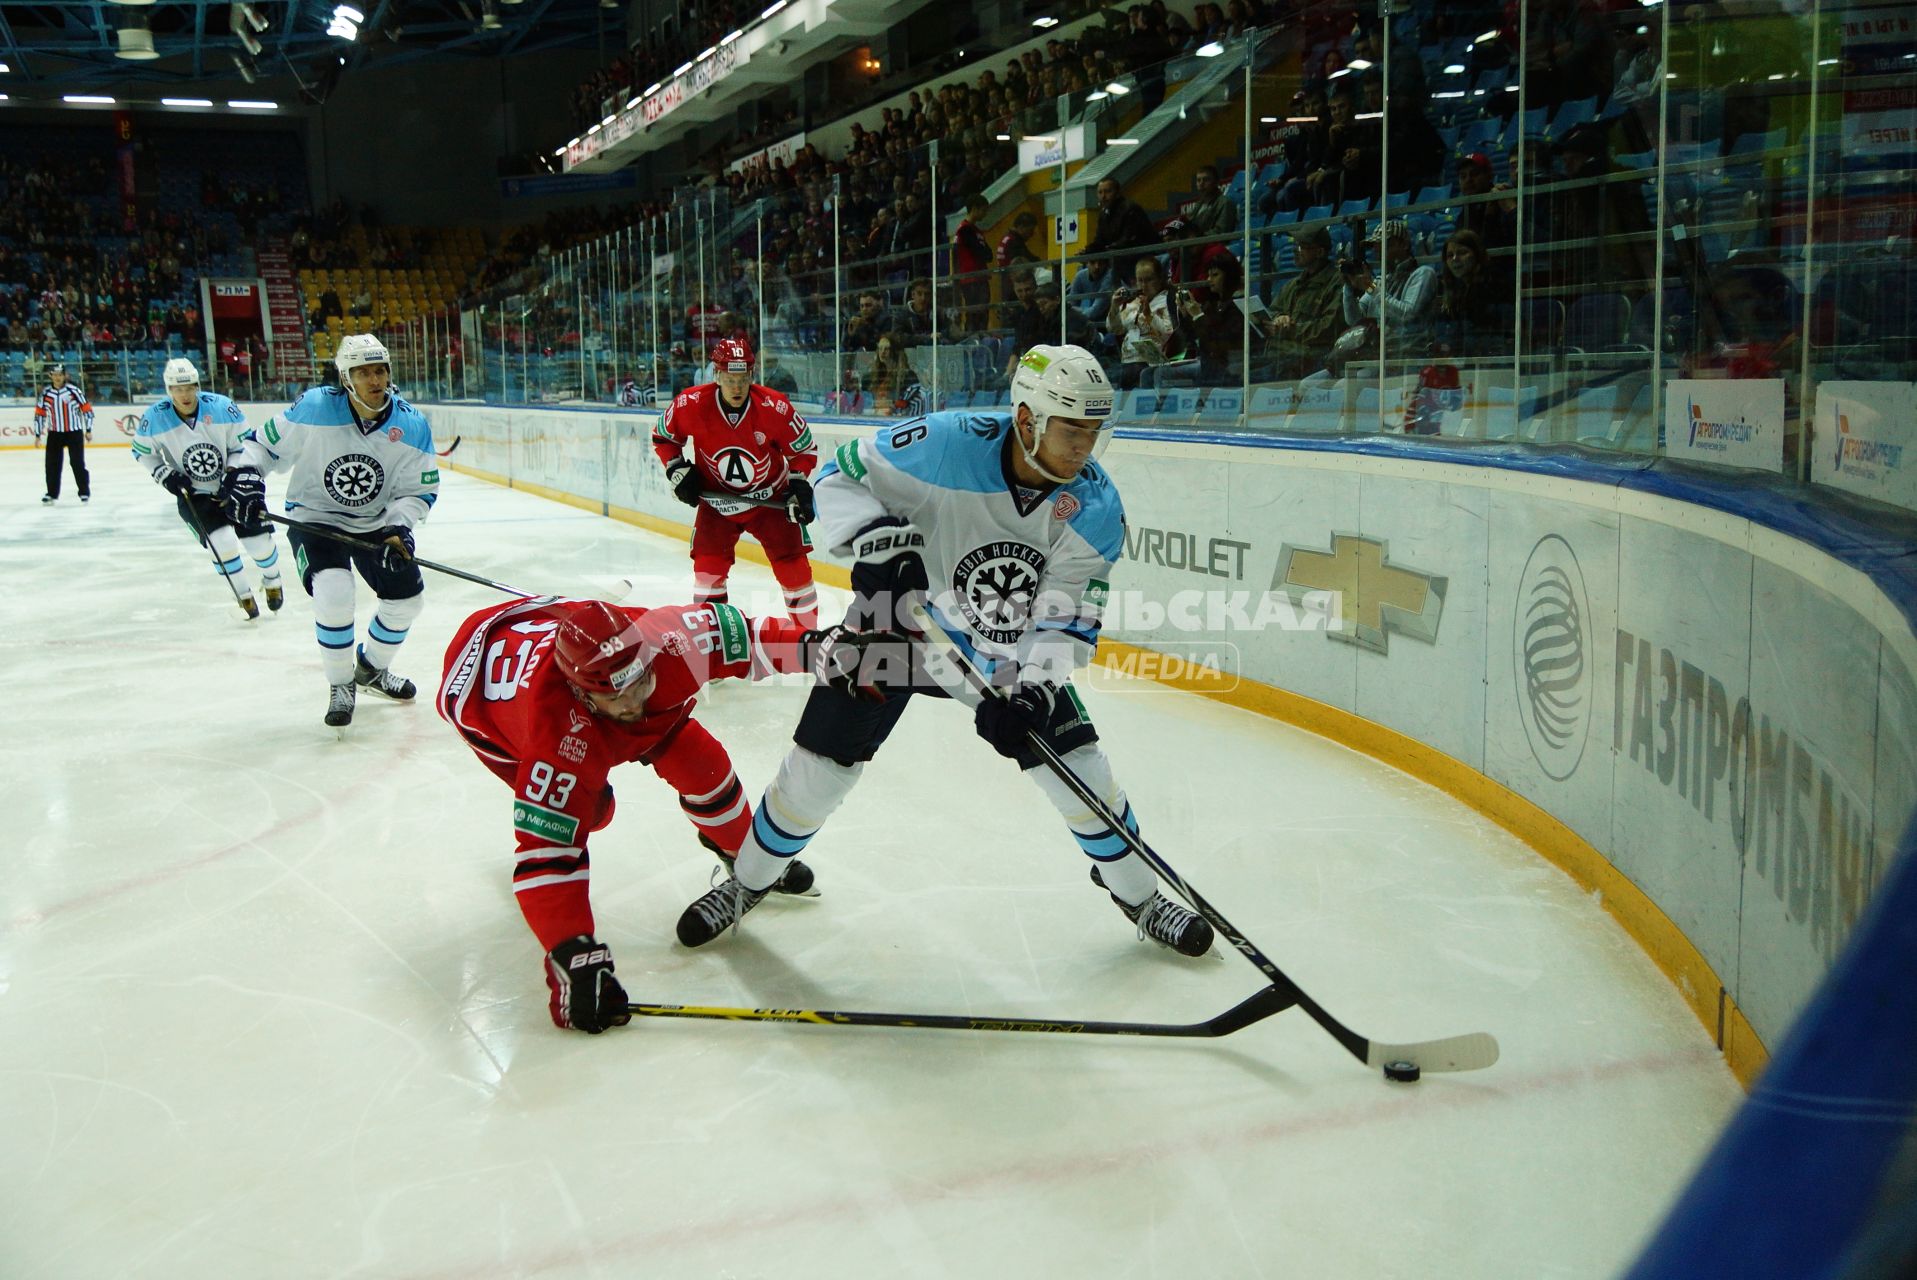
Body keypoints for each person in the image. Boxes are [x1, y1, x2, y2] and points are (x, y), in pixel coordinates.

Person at [672, 343, 1214, 958]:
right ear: (1029, 418)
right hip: (895, 630)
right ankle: (746, 884)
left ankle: (1139, 895)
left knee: (1081, 772)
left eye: (1094, 431)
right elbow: (837, 478)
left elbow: (1064, 617)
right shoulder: (943, 444)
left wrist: (1033, 690)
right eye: (1072, 430)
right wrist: (879, 543)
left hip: (1000, 658)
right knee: (815, 773)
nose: (1084, 447)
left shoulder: (1093, 505)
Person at [436, 596, 827, 1034]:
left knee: (702, 763)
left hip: (537, 622)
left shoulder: (669, 638)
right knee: (594, 814)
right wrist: (573, 956)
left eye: (641, 683)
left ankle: (744, 854)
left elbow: (754, 639)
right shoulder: (555, 738)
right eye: (616, 696)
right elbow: (547, 857)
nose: (634, 703)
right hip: (478, 700)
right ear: (580, 692)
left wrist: (822, 646)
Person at [225, 333, 439, 731]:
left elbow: (418, 489)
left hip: (377, 522)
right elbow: (261, 447)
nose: (374, 380)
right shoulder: (315, 408)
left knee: (407, 601)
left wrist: (399, 526)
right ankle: (341, 684)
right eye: (363, 372)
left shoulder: (412, 424)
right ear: (345, 378)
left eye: (380, 370)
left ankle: (371, 670)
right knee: (335, 591)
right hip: (316, 517)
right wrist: (246, 476)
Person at [651, 337, 820, 628]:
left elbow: (803, 451)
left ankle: (809, 640)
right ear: (716, 375)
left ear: (752, 375)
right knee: (707, 574)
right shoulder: (691, 403)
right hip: (717, 501)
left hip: (771, 500)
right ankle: (714, 646)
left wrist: (798, 484)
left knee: (795, 571)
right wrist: (677, 468)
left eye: (743, 379)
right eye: (730, 379)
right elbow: (663, 438)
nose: (737, 387)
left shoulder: (774, 407)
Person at [131, 358, 285, 618]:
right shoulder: (155, 418)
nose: (185, 394)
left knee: (258, 542)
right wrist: (166, 475)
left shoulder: (223, 408)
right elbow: (142, 452)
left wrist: (233, 474)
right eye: (178, 389)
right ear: (169, 390)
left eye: (189, 387)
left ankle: (273, 580)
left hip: (234, 487)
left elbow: (244, 445)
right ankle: (244, 594)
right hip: (195, 494)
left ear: (197, 386)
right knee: (221, 542)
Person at [1268, 224, 1346, 379]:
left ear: (1320, 252)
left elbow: (1330, 327)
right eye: (1296, 245)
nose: (1295, 251)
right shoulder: (1293, 284)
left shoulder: (1337, 282)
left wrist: (1291, 330)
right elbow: (1273, 311)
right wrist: (1279, 317)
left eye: (1302, 246)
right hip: (1287, 356)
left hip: (1315, 358)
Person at [1107, 255, 1180, 389]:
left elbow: (1168, 332)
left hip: (1153, 363)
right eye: (1140, 280)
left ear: (1159, 279)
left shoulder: (1169, 300)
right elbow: (1115, 329)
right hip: (1127, 361)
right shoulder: (1133, 303)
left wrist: (1149, 315)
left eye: (1148, 280)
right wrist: (1114, 307)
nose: (1143, 285)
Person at [34, 363, 92, 505]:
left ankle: (84, 492)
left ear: (65, 376)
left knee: (77, 463)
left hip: (74, 433)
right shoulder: (46, 393)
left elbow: (87, 410)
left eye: (60, 375)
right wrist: (37, 435)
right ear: (50, 376)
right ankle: (52, 493)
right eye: (55, 375)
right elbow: (40, 415)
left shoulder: (74, 391)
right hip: (54, 433)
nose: (58, 377)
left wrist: (88, 430)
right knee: (52, 465)